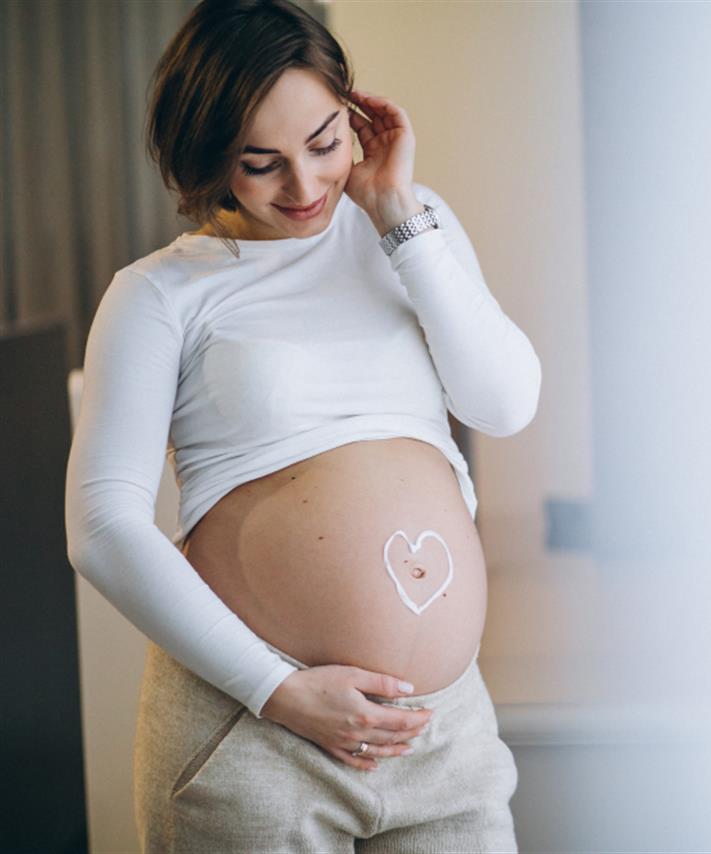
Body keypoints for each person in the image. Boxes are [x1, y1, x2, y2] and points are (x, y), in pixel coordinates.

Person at [63, 0, 539, 849]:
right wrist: (277, 689)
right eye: (261, 163)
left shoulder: (410, 225)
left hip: (442, 729)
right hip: (256, 734)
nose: (306, 186)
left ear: (354, 114)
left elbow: (503, 403)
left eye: (325, 143)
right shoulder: (160, 293)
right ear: (210, 159)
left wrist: (396, 211)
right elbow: (102, 527)